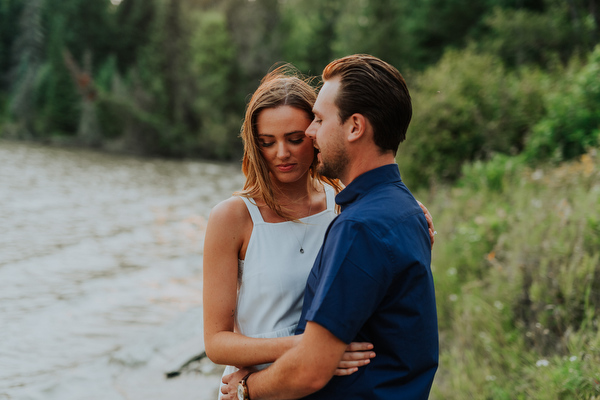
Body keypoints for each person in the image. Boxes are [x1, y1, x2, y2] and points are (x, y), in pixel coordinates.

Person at [221, 54, 438, 400]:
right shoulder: (403, 211)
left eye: (318, 120)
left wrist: (246, 390)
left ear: (354, 127)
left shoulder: (358, 225)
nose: (310, 132)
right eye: (267, 141)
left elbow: (311, 369)